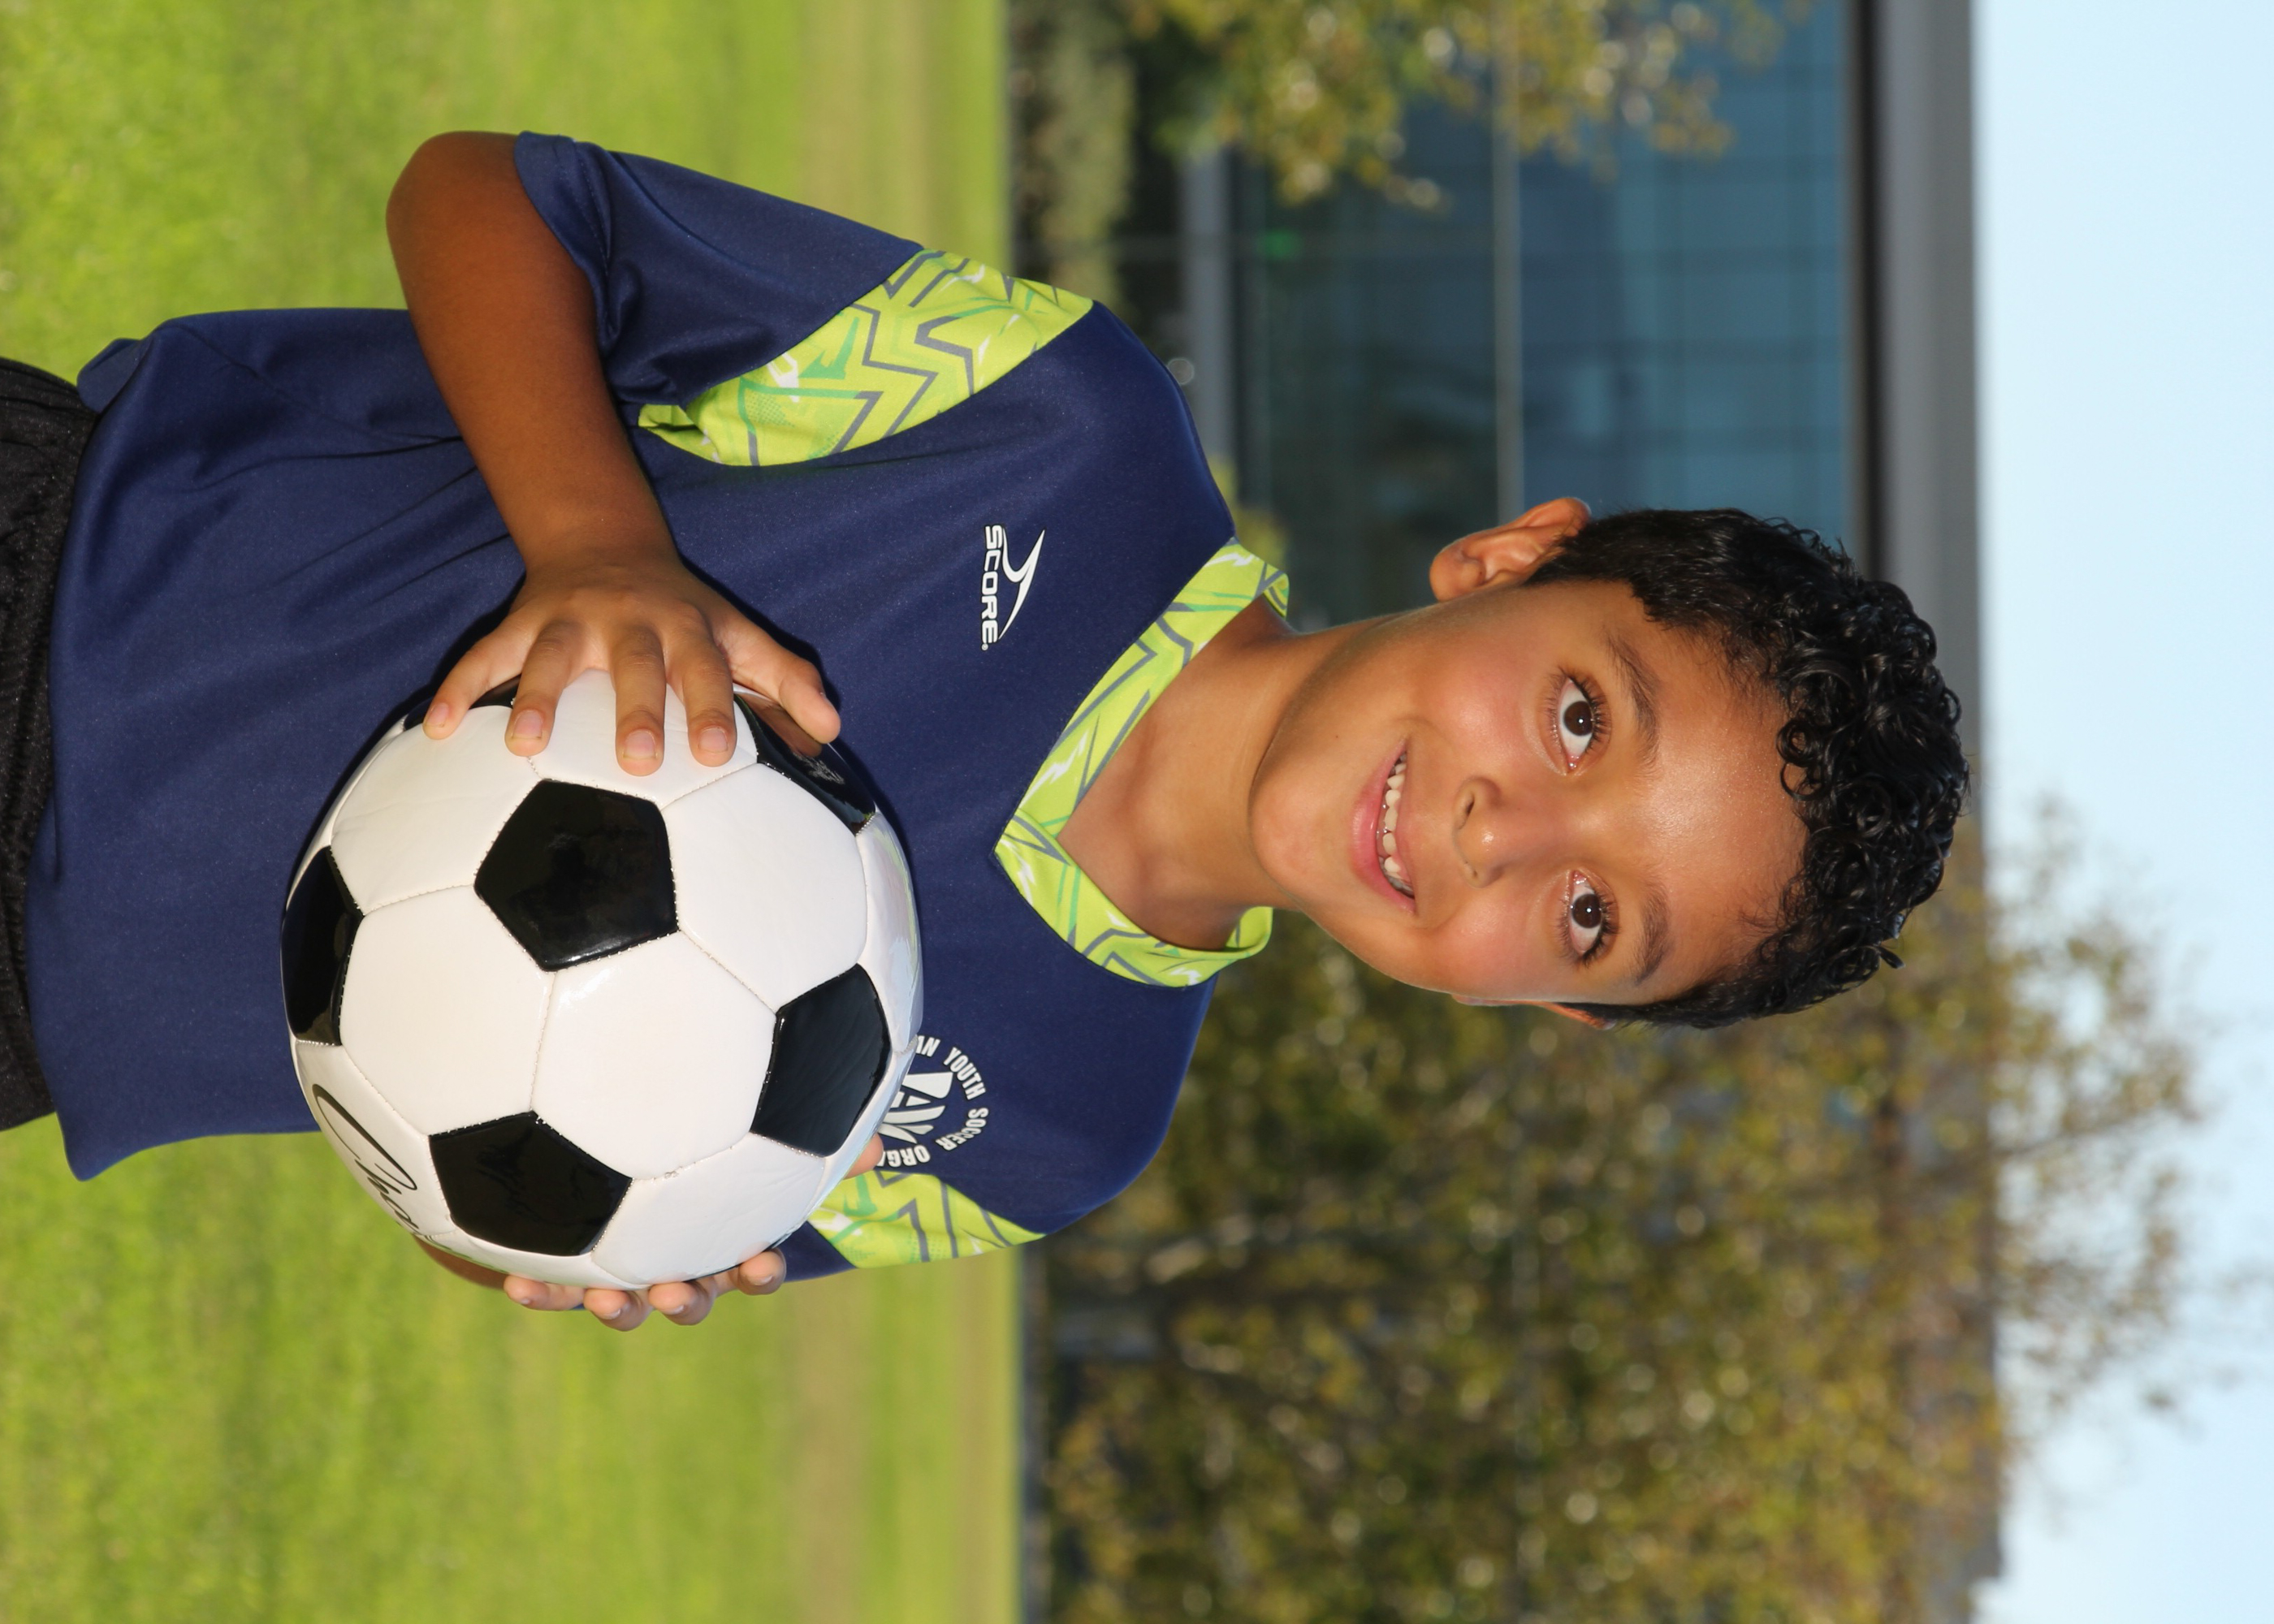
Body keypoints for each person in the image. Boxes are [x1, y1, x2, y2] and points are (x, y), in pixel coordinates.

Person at [0, 132, 1965, 1332]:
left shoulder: (1054, 1130)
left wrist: (575, 1237)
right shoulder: (1052, 425)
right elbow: (488, 197)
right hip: (73, 565)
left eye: (1590, 920)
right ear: (1507, 558)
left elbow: (481, 1182)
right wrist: (599, 546)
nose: (1495, 833)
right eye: (1575, 717)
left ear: (1557, 1012)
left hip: (45, 1017)